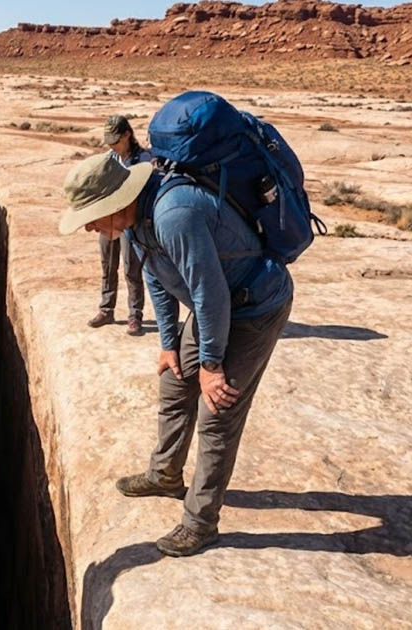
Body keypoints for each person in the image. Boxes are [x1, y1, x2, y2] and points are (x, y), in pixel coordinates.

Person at [59, 153, 293, 557]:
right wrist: (169, 344)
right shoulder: (136, 218)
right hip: (218, 306)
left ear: (115, 202)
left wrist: (211, 365)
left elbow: (209, 293)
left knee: (217, 411)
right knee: (173, 380)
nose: (90, 227)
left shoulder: (174, 214)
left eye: (93, 216)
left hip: (254, 307)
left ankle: (200, 523)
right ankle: (166, 474)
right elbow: (156, 276)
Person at [91, 115, 150, 336]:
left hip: (130, 222)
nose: (112, 145)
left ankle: (135, 316)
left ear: (128, 134)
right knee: (108, 265)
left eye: (116, 140)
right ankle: (107, 310)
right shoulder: (109, 158)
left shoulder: (144, 159)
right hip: (109, 219)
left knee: (131, 269)